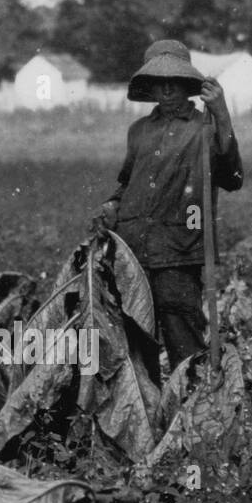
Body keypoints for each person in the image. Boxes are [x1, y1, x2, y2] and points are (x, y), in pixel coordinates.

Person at [98, 39, 244, 379]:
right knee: (135, 340)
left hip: (179, 252)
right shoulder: (139, 132)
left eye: (173, 81)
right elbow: (126, 185)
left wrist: (222, 115)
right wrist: (110, 205)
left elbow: (233, 177)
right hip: (132, 253)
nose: (166, 89)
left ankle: (191, 417)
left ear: (186, 85)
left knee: (184, 343)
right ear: (148, 85)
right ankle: (147, 417)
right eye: (158, 81)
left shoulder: (203, 128)